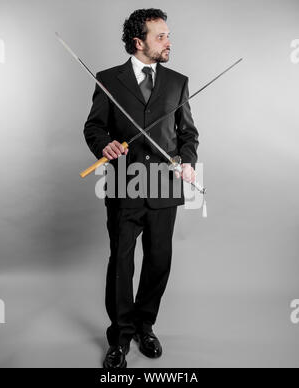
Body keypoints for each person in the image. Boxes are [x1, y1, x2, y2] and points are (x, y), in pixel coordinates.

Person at [83, 8, 199, 368]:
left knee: (158, 261)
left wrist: (188, 161)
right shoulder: (108, 79)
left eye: (168, 35)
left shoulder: (178, 81)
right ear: (139, 42)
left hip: (164, 185)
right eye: (160, 35)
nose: (168, 41)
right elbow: (94, 127)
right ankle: (119, 337)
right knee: (121, 262)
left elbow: (188, 134)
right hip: (124, 182)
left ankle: (145, 325)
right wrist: (104, 145)